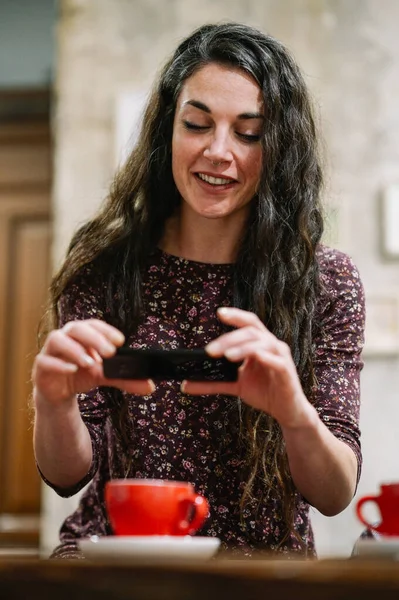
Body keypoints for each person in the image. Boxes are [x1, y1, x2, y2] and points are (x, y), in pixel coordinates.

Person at [32, 22, 365, 559]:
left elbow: (334, 493)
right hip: (117, 565)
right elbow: (69, 476)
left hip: (260, 573)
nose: (218, 150)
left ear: (278, 147)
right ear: (170, 128)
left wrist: (293, 410)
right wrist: (53, 401)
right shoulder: (105, 270)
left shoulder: (325, 283)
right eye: (197, 124)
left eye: (249, 133)